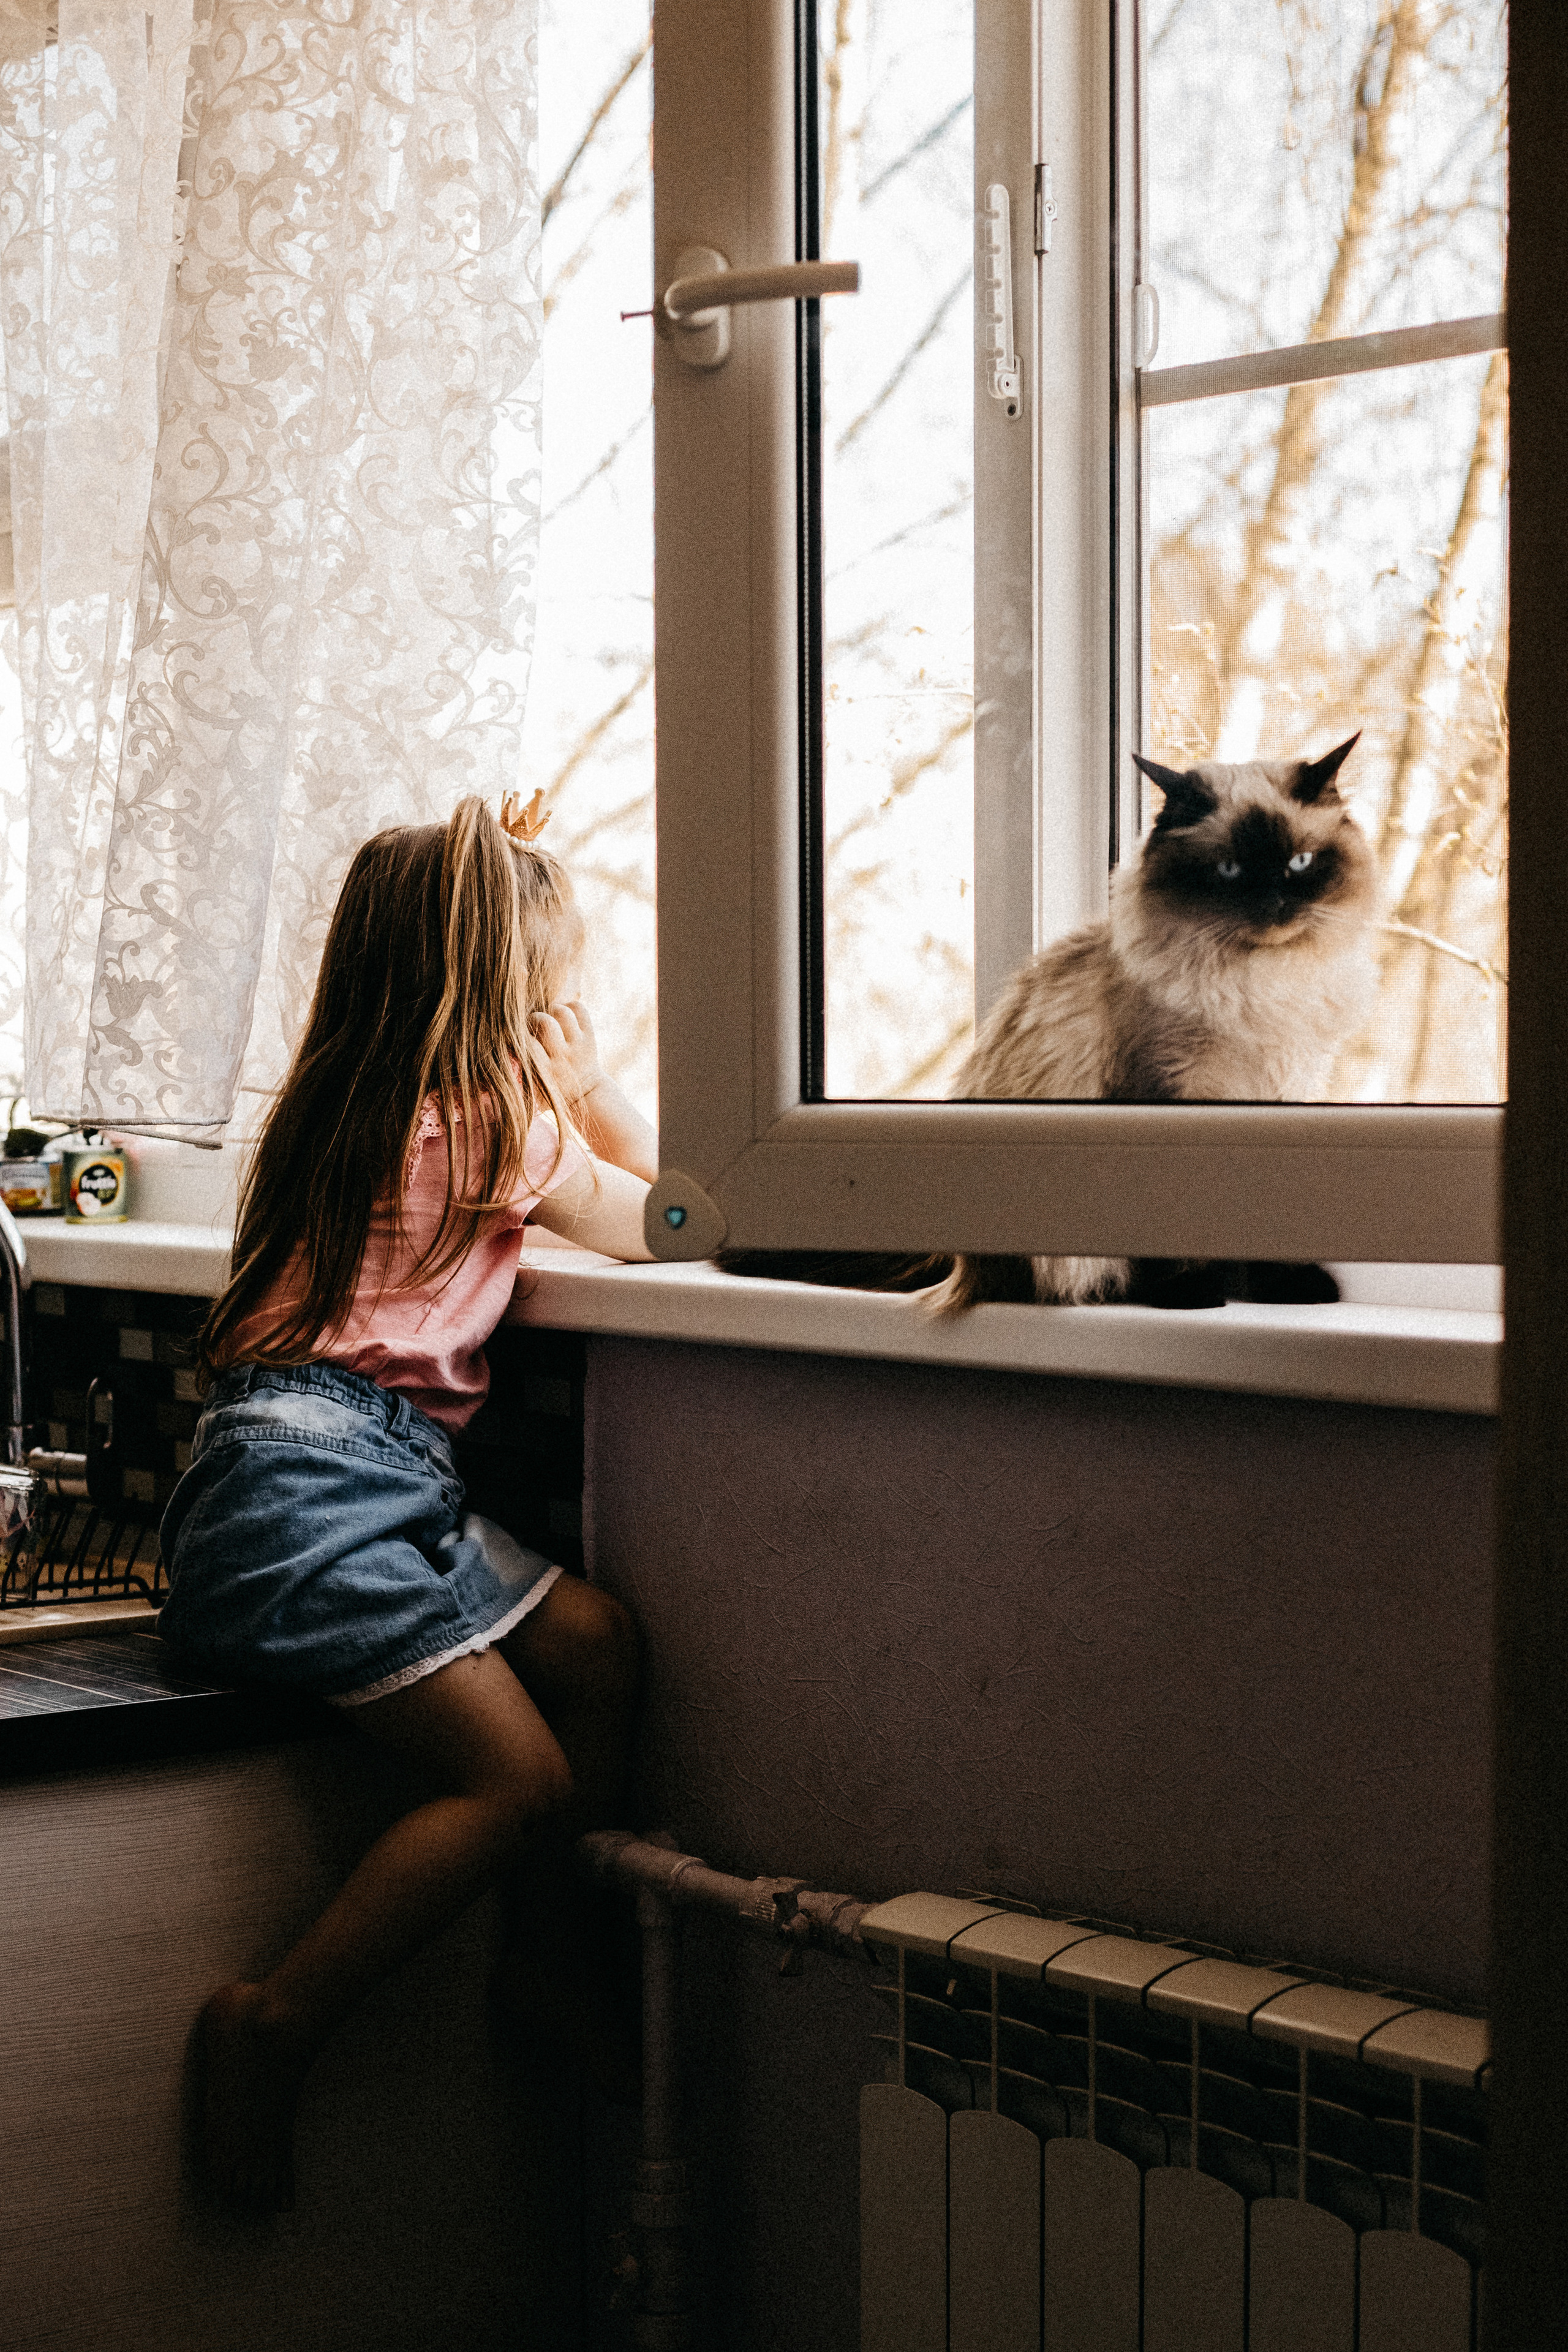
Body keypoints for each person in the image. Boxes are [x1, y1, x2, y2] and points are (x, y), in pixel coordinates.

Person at [157, 793, 658, 2212]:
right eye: (554, 989)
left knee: (597, 1648)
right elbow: (682, 1220)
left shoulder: (337, 1110)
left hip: (317, 1475)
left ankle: (543, 1957)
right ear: (512, 1003)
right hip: (330, 1488)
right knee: (520, 1779)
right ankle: (276, 2021)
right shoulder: (502, 1125)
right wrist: (598, 1087)